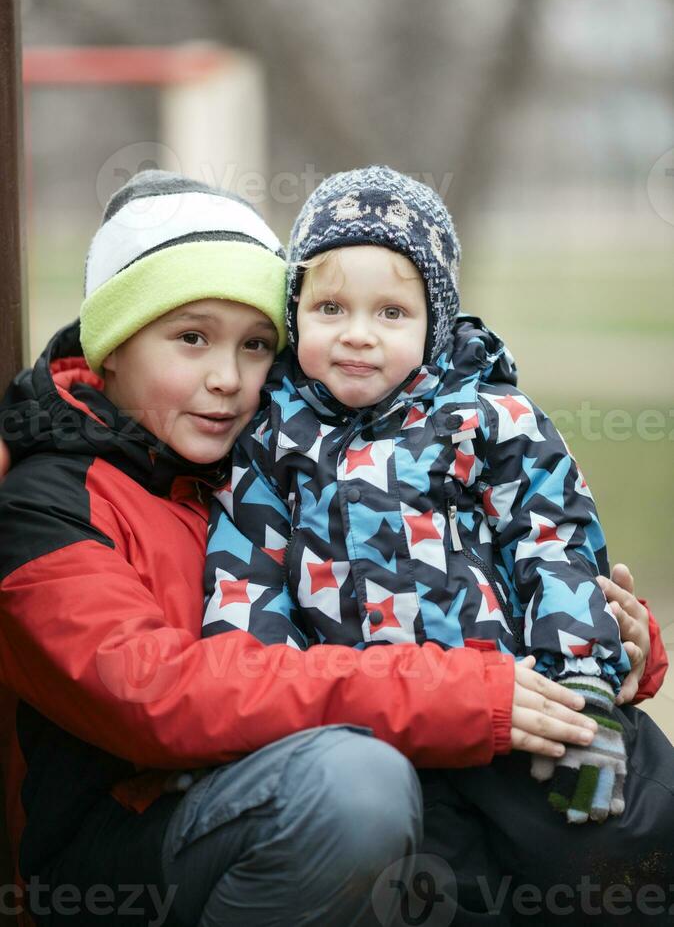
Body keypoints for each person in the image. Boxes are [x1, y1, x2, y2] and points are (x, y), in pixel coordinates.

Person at [0, 169, 639, 927]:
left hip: (316, 776)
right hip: (133, 841)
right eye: (191, 338)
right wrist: (457, 694)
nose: (227, 379)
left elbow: (447, 562)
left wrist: (610, 640)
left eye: (257, 345)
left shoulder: (261, 457)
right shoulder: (45, 507)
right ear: (113, 345)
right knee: (355, 787)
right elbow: (160, 697)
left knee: (597, 806)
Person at [203, 166, 674, 922]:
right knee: (440, 897)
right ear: (296, 314)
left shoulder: (486, 418)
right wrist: (264, 729)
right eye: (330, 307)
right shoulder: (270, 442)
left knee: (607, 862)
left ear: (435, 322)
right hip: (378, 737)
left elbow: (552, 542)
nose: (357, 332)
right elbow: (247, 575)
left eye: (390, 312)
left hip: (514, 715)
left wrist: (581, 672)